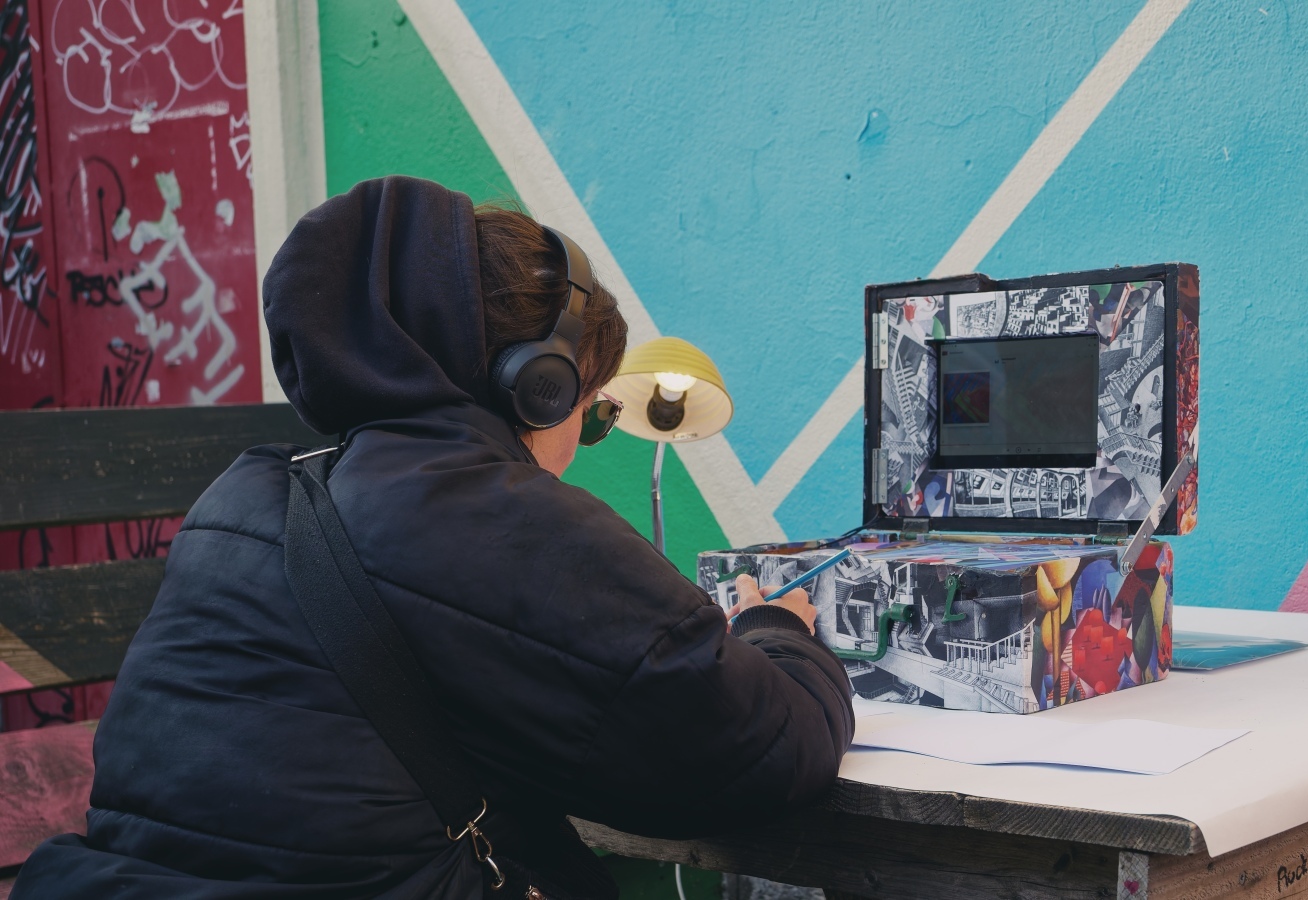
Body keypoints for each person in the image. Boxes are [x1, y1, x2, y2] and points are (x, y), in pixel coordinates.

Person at [12, 176, 854, 899]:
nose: (579, 444)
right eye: (590, 416)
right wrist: (777, 632)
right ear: (539, 388)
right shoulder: (497, 518)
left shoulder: (248, 494)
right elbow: (765, 751)